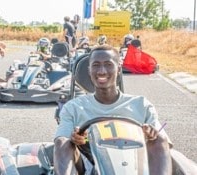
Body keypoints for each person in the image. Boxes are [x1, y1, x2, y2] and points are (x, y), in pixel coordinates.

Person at [54, 45, 172, 175]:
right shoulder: (73, 107)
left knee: (160, 138)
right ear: (89, 70)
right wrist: (76, 139)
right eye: (96, 65)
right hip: (89, 167)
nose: (102, 71)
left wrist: (150, 135)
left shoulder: (141, 105)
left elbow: (162, 143)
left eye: (108, 64)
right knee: (62, 141)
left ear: (119, 69)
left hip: (135, 165)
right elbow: (62, 142)